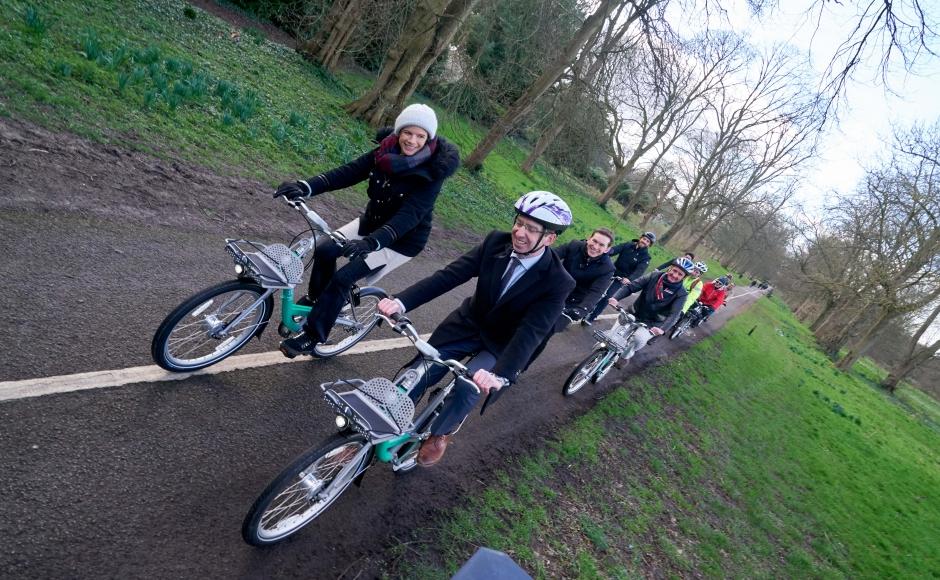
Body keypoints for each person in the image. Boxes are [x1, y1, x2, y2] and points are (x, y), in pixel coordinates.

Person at [377, 191, 576, 466]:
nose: (519, 232)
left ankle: (440, 433)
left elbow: (531, 332)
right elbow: (449, 275)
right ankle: (368, 433)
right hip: (468, 323)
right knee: (418, 373)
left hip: (502, 343)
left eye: (531, 229)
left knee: (468, 386)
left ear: (550, 238)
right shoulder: (496, 242)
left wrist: (501, 376)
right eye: (519, 222)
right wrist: (401, 301)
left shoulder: (558, 281)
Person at [275, 104, 460, 357]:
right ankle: (318, 300)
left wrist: (372, 243)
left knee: (343, 278)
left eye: (421, 136)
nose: (413, 140)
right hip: (371, 223)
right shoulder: (383, 153)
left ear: (429, 139)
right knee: (325, 249)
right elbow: (349, 172)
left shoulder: (431, 174)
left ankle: (313, 335)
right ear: (399, 132)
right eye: (408, 133)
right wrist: (305, 186)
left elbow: (409, 216)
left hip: (399, 241)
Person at [524, 227, 616, 368]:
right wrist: (534, 265)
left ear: (607, 249)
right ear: (588, 238)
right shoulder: (574, 246)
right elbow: (552, 255)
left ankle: (521, 365)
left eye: (601, 245)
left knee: (544, 332)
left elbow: (596, 293)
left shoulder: (607, 269)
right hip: (552, 289)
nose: (595, 246)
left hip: (571, 303)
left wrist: (581, 310)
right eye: (594, 241)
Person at [605, 257, 693, 357]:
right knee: (612, 335)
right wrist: (616, 298)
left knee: (638, 338)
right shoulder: (654, 276)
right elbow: (631, 287)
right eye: (674, 270)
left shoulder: (681, 294)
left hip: (652, 323)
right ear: (670, 268)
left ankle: (625, 356)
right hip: (634, 312)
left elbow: (674, 314)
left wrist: (662, 329)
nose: (675, 275)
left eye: (680, 274)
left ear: (684, 277)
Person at [583, 231, 655, 324]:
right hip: (611, 271)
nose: (644, 241)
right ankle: (584, 307)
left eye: (648, 241)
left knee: (608, 296)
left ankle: (592, 317)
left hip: (622, 279)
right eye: (644, 239)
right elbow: (615, 249)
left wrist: (629, 279)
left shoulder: (646, 257)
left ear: (649, 245)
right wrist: (605, 251)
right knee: (595, 288)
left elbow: (639, 270)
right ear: (640, 238)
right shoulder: (628, 245)